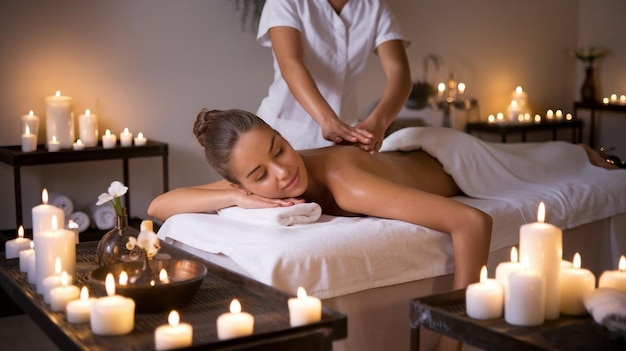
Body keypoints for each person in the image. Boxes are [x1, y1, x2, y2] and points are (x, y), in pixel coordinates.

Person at [148, 108, 621, 351]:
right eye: (258, 177)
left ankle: (589, 153)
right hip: (405, 156)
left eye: (281, 149)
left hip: (457, 159)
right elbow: (159, 203)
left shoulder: (348, 186)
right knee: (549, 157)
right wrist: (232, 196)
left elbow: (471, 221)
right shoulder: (245, 181)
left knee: (556, 159)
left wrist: (452, 334)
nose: (282, 173)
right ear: (239, 181)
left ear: (282, 135)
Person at [255, 0, 412, 152]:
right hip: (283, 131)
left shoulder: (375, 7)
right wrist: (327, 120)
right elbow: (290, 64)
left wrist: (378, 123)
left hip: (345, 135)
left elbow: (400, 73)